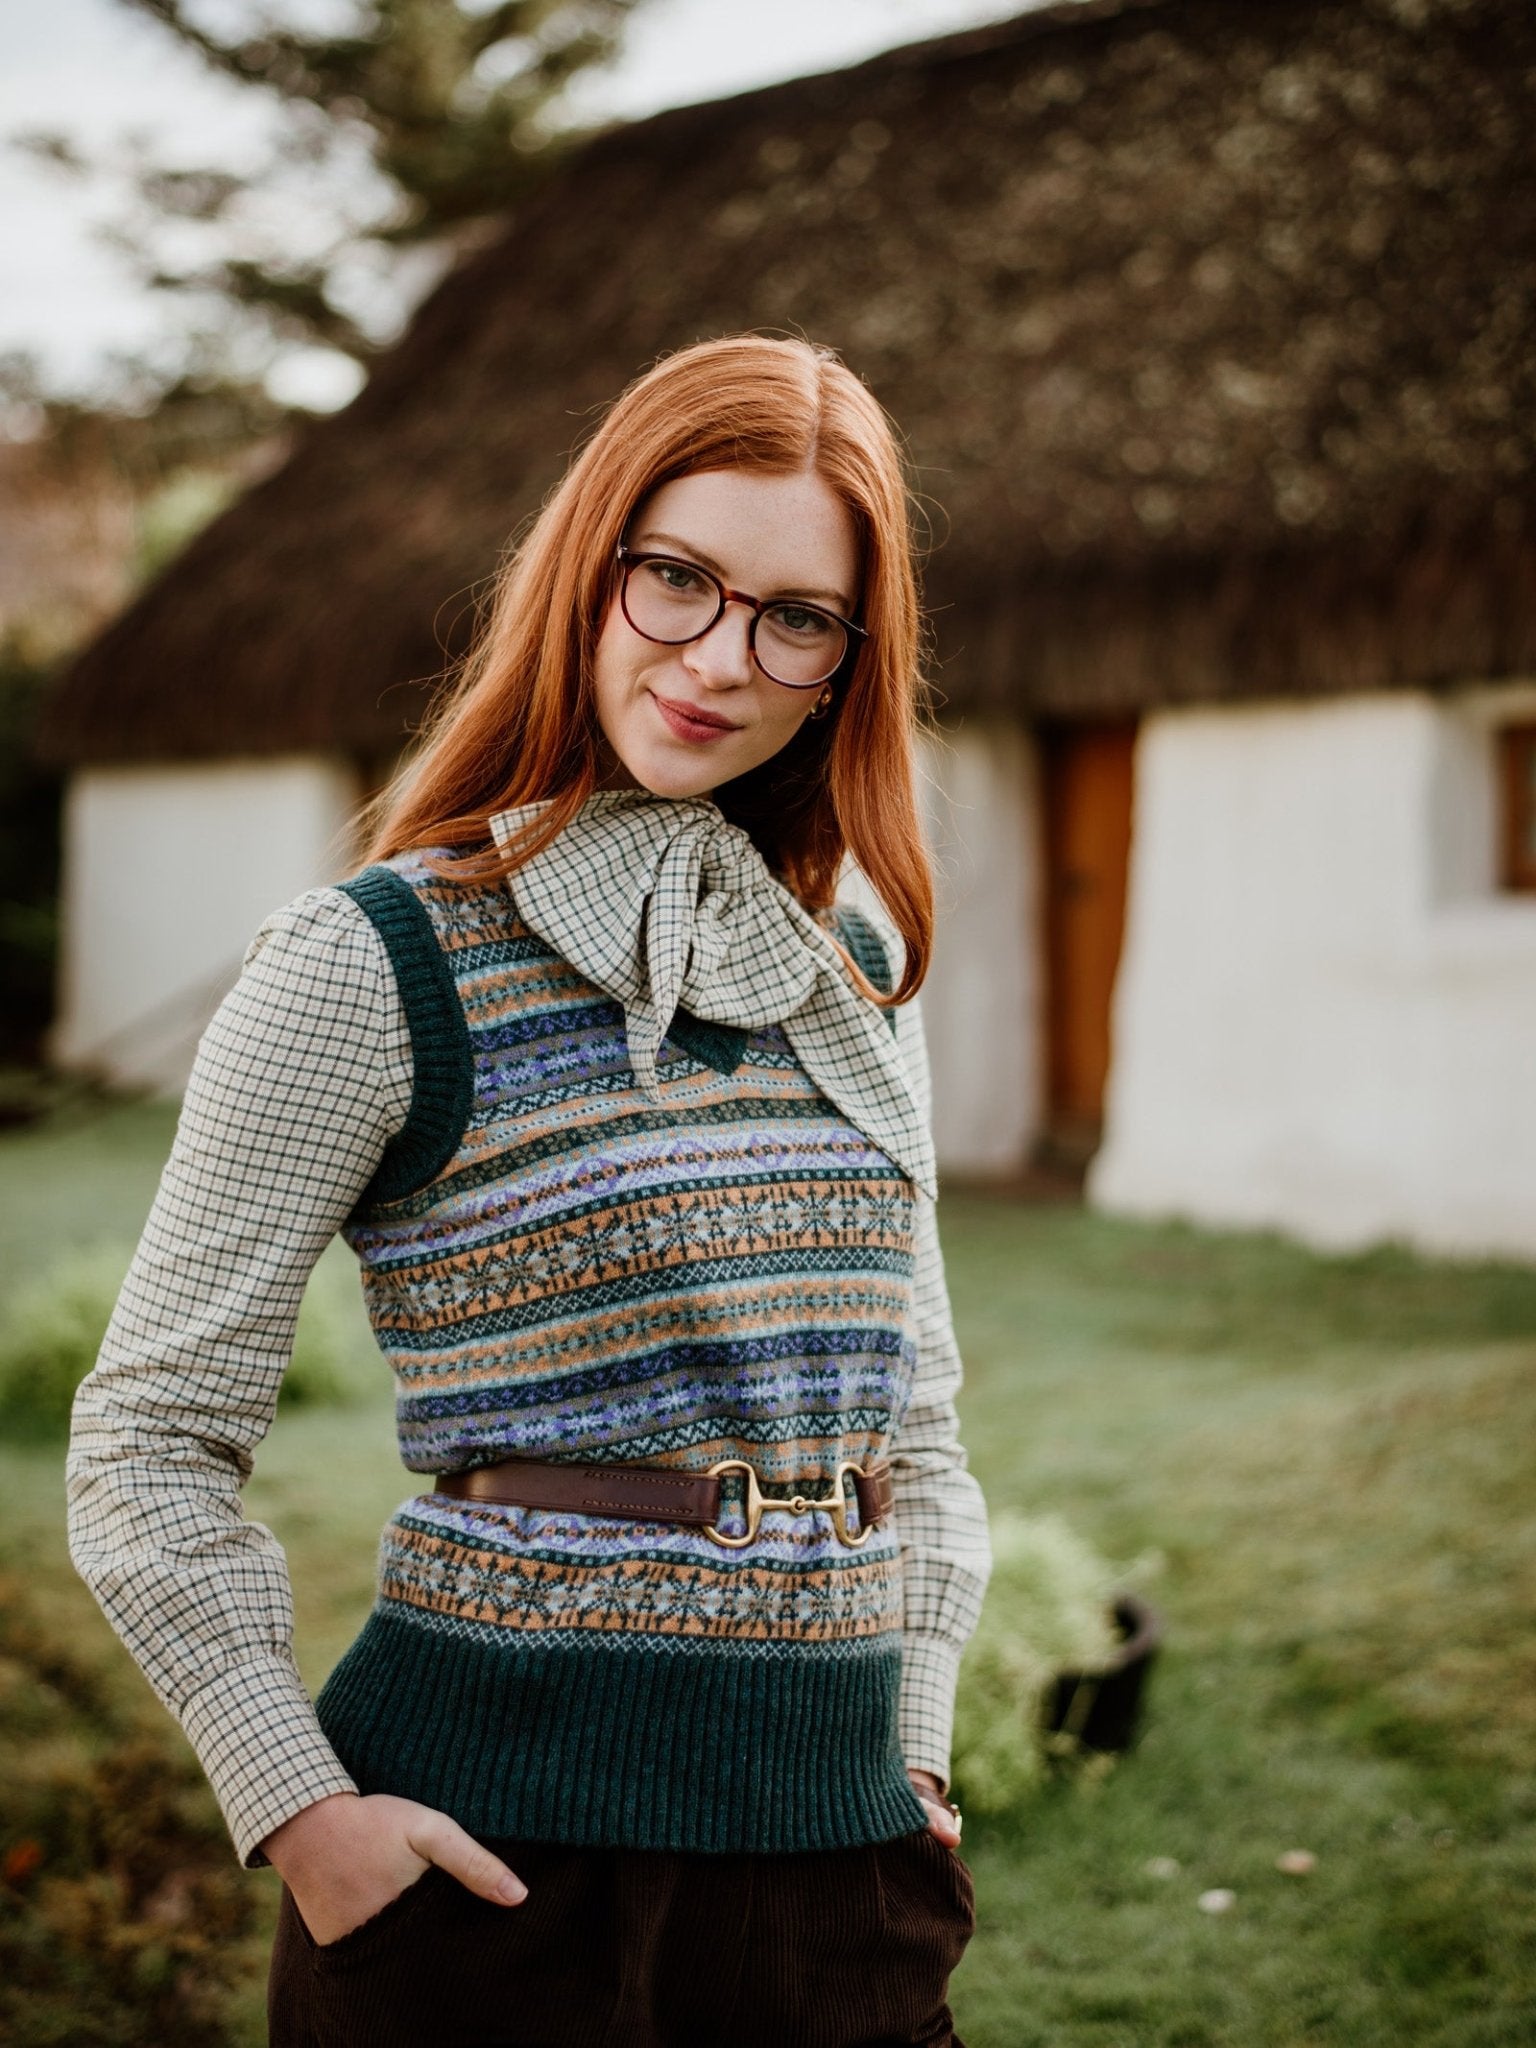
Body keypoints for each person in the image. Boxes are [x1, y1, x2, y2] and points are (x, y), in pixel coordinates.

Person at [67, 334, 993, 2048]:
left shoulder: (855, 969)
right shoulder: (370, 965)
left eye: (795, 615)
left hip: (842, 1872)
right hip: (490, 1888)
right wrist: (302, 1810)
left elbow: (917, 1428)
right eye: (677, 579)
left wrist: (914, 1740)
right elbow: (145, 1439)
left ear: (848, 664)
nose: (721, 655)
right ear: (592, 567)